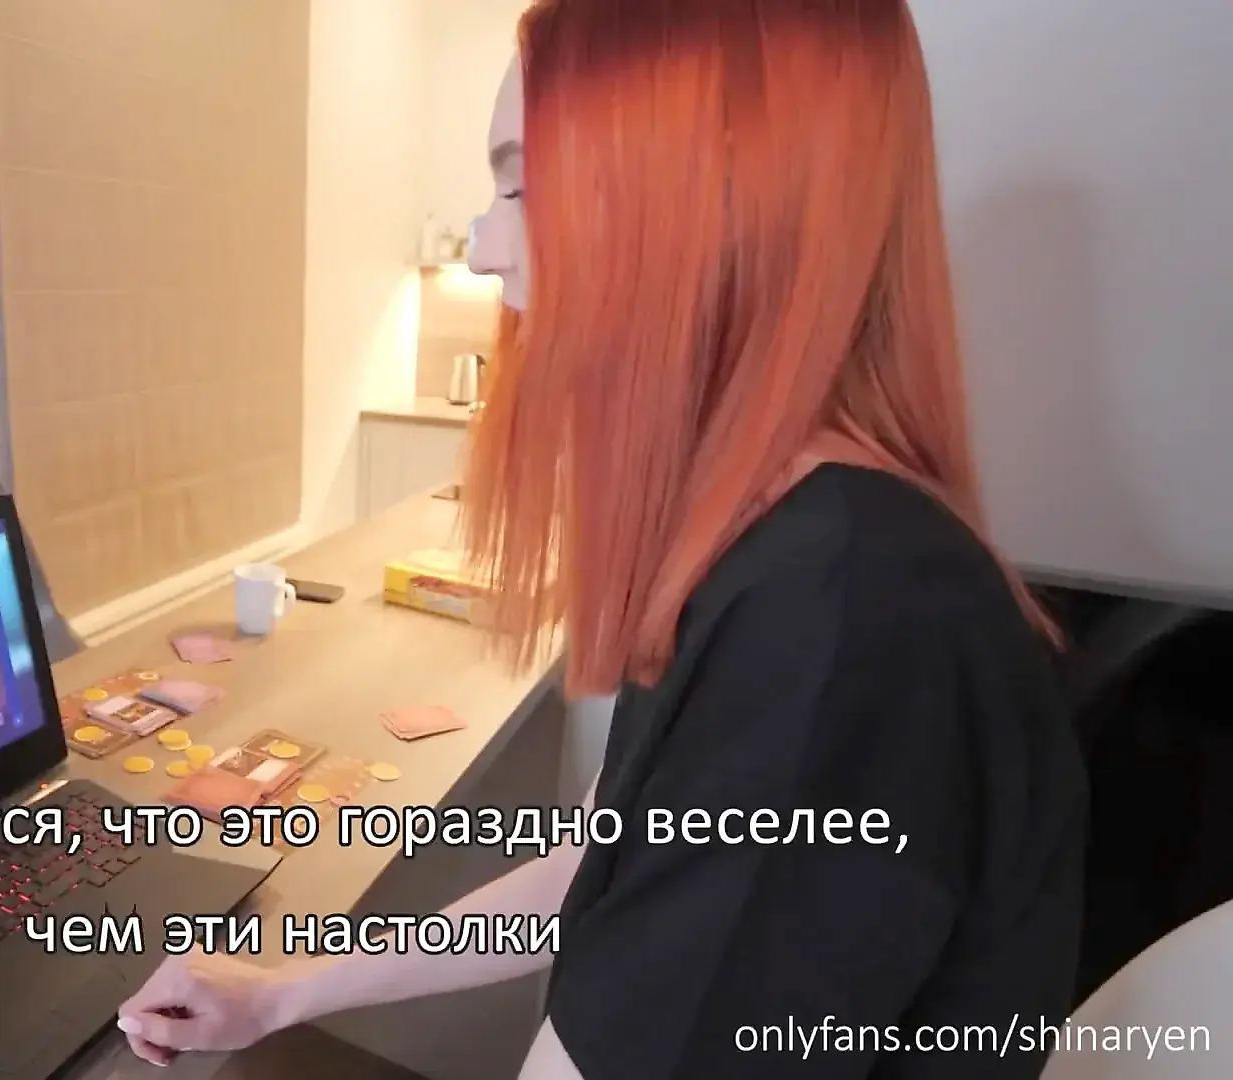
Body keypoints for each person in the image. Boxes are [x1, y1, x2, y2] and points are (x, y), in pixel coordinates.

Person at [114, 3, 1086, 1078]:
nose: (484, 249)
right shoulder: (782, 556)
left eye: (521, 190)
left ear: (707, 206)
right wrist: (285, 987)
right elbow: (603, 865)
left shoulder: (836, 620)